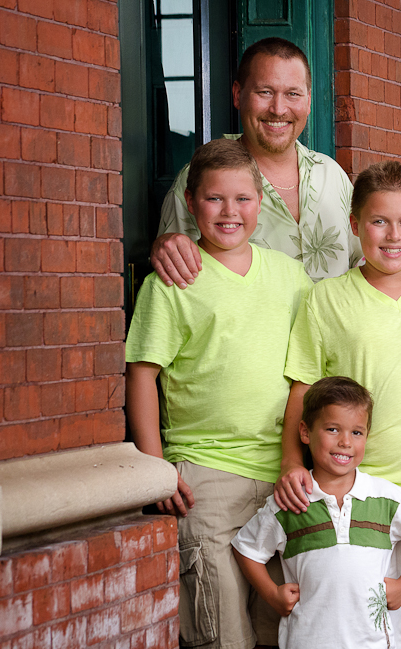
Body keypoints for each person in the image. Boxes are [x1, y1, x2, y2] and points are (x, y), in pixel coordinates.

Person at [276, 160, 401, 648]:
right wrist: (287, 461)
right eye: (379, 221)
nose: (393, 235)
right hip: (355, 504)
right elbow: (301, 392)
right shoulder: (325, 301)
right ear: (355, 225)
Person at [125, 138, 311, 649]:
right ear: (189, 203)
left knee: (284, 625)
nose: (230, 212)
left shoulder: (292, 277)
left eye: (243, 199)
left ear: (261, 202)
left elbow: (309, 371)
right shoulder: (173, 282)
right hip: (205, 480)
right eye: (214, 199)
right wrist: (154, 468)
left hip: (282, 478)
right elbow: (143, 374)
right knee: (221, 629)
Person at [231, 377, 401, 649]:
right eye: (332, 429)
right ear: (305, 432)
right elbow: (245, 549)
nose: (345, 442)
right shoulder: (290, 501)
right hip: (306, 640)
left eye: (357, 432)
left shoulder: (386, 498)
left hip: (373, 642)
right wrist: (272, 594)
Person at [151, 37, 362, 287]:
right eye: (265, 92)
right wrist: (163, 245)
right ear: (238, 95)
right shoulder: (201, 176)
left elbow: (367, 264)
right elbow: (175, 278)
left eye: (292, 94)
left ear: (308, 102)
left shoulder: (332, 175)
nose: (278, 109)